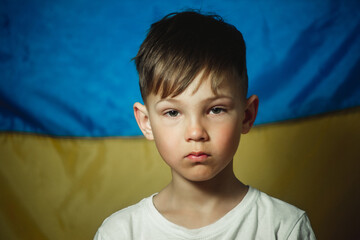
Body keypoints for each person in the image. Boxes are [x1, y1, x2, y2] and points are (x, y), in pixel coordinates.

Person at [94, 10, 316, 239]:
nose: (195, 132)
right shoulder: (120, 232)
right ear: (146, 122)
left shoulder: (283, 227)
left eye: (216, 109)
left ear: (247, 116)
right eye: (172, 112)